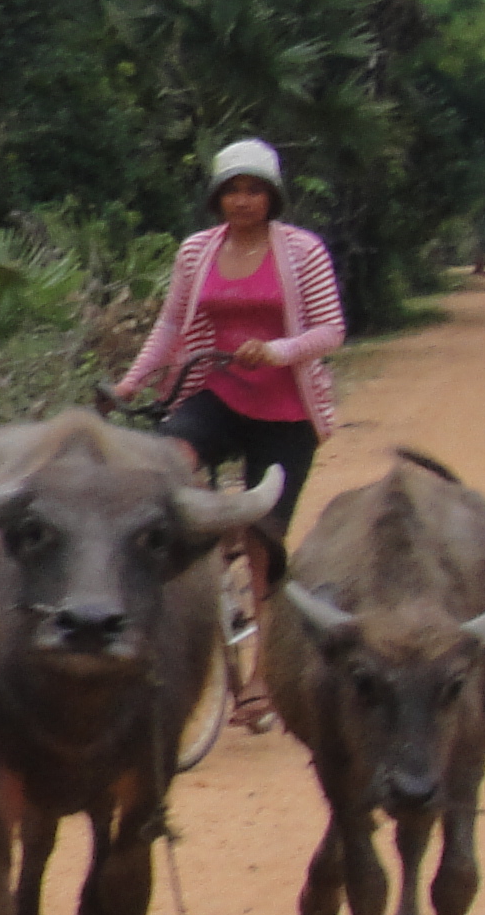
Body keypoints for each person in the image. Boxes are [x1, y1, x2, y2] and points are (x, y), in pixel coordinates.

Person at [113, 136, 342, 727]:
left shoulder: (303, 251)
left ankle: (262, 679)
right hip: (214, 390)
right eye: (233, 190)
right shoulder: (197, 251)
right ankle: (207, 542)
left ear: (272, 197)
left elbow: (331, 330)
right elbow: (171, 324)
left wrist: (277, 350)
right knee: (166, 461)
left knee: (266, 545)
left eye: (254, 190)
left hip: (286, 408)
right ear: (217, 197)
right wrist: (132, 382)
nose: (243, 201)